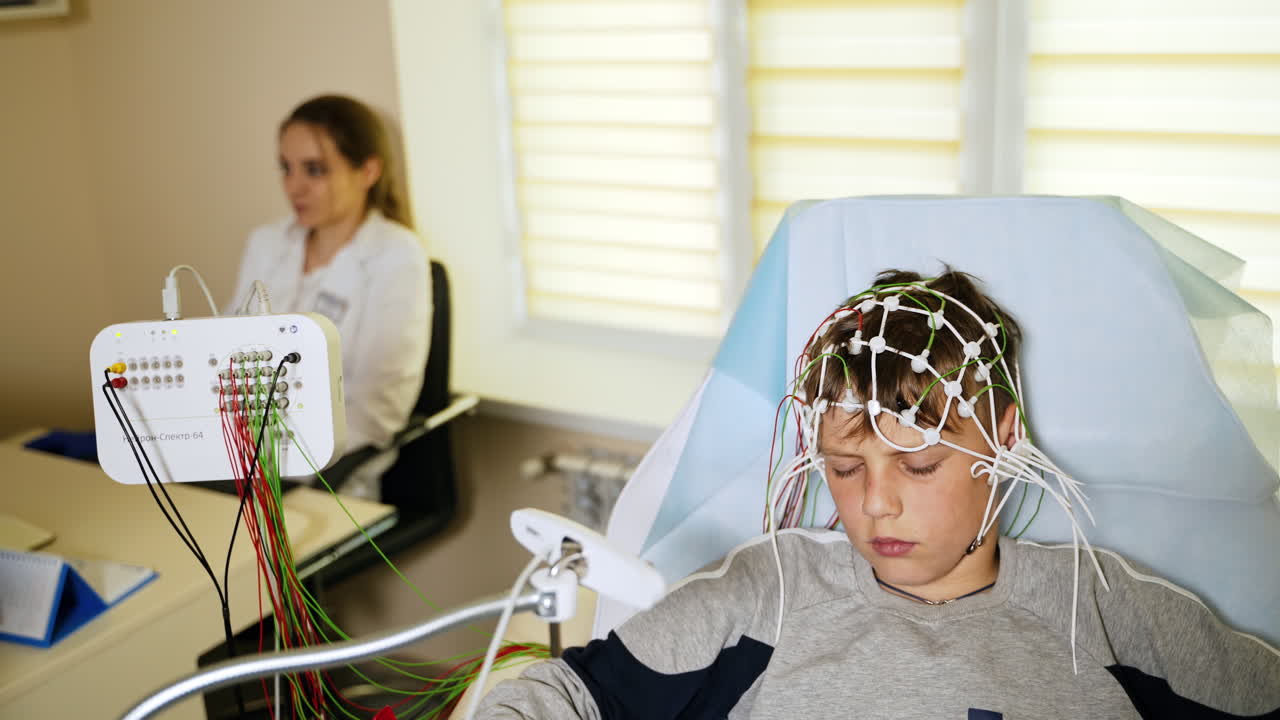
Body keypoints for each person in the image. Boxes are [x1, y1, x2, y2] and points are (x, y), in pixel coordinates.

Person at [475, 269, 1280, 718]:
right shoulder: (771, 594)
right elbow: (570, 696)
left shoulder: (1100, 610)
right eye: (844, 467)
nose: (875, 505)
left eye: (919, 468)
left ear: (1001, 440)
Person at [227, 94, 430, 498]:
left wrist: (270, 451)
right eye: (286, 169)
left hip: (329, 476)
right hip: (240, 456)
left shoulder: (396, 256)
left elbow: (377, 413)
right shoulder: (267, 244)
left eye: (314, 170)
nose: (294, 187)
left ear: (368, 171)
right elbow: (225, 361)